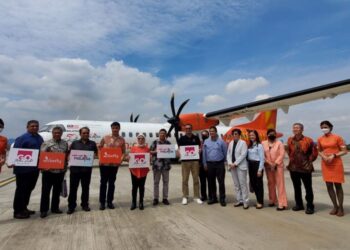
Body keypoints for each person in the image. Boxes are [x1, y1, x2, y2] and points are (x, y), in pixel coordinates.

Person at [12, 120, 44, 219]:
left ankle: (24, 207)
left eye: (36, 126)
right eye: (32, 126)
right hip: (23, 170)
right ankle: (17, 211)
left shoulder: (39, 138)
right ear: (27, 127)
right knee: (21, 190)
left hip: (34, 169)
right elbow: (15, 153)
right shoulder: (22, 138)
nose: (34, 128)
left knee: (29, 189)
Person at [286, 123, 318, 215]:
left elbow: (314, 153)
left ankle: (310, 206)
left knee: (308, 188)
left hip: (305, 168)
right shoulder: (290, 140)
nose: (295, 129)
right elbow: (289, 152)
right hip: (293, 167)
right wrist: (292, 159)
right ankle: (299, 204)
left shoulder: (308, 140)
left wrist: (309, 161)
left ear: (302, 130)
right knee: (296, 187)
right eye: (294, 128)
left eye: (297, 128)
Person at [317, 120, 347, 217]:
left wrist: (333, 155)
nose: (324, 129)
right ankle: (335, 206)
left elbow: (344, 151)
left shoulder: (337, 137)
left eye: (325, 127)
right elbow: (319, 150)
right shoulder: (320, 139)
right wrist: (323, 156)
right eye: (322, 127)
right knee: (329, 186)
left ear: (330, 127)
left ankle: (341, 207)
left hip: (336, 163)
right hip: (326, 163)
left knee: (338, 186)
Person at [67, 127, 98, 214]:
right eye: (84, 133)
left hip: (86, 171)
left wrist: (93, 156)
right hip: (75, 171)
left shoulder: (92, 143)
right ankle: (71, 206)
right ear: (80, 134)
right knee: (73, 189)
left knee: (85, 189)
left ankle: (85, 205)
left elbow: (96, 154)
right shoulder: (74, 143)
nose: (85, 134)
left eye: (87, 133)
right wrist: (69, 159)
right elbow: (69, 154)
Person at [39, 126, 68, 218]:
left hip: (60, 171)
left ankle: (55, 208)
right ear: (52, 133)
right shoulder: (46, 144)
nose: (57, 134)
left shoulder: (65, 143)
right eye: (55, 133)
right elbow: (42, 157)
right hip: (48, 172)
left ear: (61, 134)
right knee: (45, 191)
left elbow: (66, 155)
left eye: (59, 133)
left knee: (56, 191)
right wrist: (45, 167)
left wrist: (65, 166)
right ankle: (44, 210)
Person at [98, 122, 125, 210]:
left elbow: (124, 152)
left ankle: (109, 201)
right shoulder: (105, 137)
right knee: (103, 183)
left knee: (112, 183)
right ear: (111, 128)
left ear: (119, 129)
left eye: (117, 128)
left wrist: (120, 160)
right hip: (104, 164)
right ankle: (102, 202)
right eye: (113, 128)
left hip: (114, 165)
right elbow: (100, 147)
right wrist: (100, 158)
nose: (115, 129)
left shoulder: (122, 140)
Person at [262, 128, 288, 211]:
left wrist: (275, 163)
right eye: (270, 134)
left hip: (278, 166)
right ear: (267, 135)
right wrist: (269, 163)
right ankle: (272, 200)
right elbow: (262, 155)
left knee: (280, 185)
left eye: (273, 134)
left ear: (275, 135)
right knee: (270, 184)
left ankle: (282, 203)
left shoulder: (279, 143)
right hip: (268, 166)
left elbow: (282, 154)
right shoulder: (263, 143)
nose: (271, 135)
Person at [177, 124, 202, 205]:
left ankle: (197, 197)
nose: (188, 130)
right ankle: (185, 196)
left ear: (192, 129)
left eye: (189, 128)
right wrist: (179, 153)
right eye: (187, 128)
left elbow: (200, 147)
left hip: (195, 161)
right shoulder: (182, 138)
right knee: (185, 180)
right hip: (185, 161)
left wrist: (200, 150)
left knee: (196, 179)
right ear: (185, 129)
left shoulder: (196, 138)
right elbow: (179, 148)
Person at [202, 126, 227, 206]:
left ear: (216, 132)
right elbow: (204, 153)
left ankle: (222, 199)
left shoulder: (221, 142)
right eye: (210, 131)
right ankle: (213, 198)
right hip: (210, 164)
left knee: (221, 182)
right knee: (211, 182)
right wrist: (205, 163)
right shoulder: (206, 141)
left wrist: (225, 162)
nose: (211, 133)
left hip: (219, 163)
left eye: (213, 131)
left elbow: (225, 152)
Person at [227, 129, 249, 209]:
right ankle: (239, 200)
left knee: (243, 184)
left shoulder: (243, 143)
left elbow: (243, 155)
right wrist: (230, 163)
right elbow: (228, 154)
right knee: (236, 184)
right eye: (233, 134)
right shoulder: (231, 143)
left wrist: (235, 163)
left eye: (236, 134)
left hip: (240, 166)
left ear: (239, 135)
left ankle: (245, 201)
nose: (234, 135)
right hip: (232, 166)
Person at [150, 129, 172, 206]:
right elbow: (150, 152)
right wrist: (155, 151)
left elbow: (171, 153)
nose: (162, 135)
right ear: (158, 134)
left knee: (166, 182)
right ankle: (156, 198)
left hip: (166, 166)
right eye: (161, 133)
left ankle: (165, 198)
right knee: (156, 183)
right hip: (157, 166)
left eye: (164, 133)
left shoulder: (168, 143)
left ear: (166, 135)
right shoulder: (154, 142)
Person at [129, 134, 150, 210]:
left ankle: (141, 202)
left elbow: (148, 158)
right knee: (134, 187)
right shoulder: (133, 148)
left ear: (144, 140)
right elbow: (130, 158)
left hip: (143, 171)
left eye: (142, 138)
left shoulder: (147, 149)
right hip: (134, 171)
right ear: (137, 140)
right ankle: (133, 202)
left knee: (142, 187)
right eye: (139, 138)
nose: (140, 140)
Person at [247, 130, 265, 209]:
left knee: (259, 184)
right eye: (250, 135)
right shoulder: (250, 146)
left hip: (257, 165)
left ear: (256, 136)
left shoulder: (259, 146)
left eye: (253, 135)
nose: (251, 137)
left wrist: (260, 170)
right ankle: (258, 200)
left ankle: (260, 202)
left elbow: (262, 159)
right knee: (253, 183)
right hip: (251, 165)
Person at [199, 130, 210, 201]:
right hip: (200, 165)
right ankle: (203, 196)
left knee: (210, 181)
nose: (204, 136)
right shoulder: (199, 144)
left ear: (208, 136)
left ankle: (211, 195)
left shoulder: (210, 143)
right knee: (202, 182)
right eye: (203, 135)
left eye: (205, 135)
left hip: (209, 164)